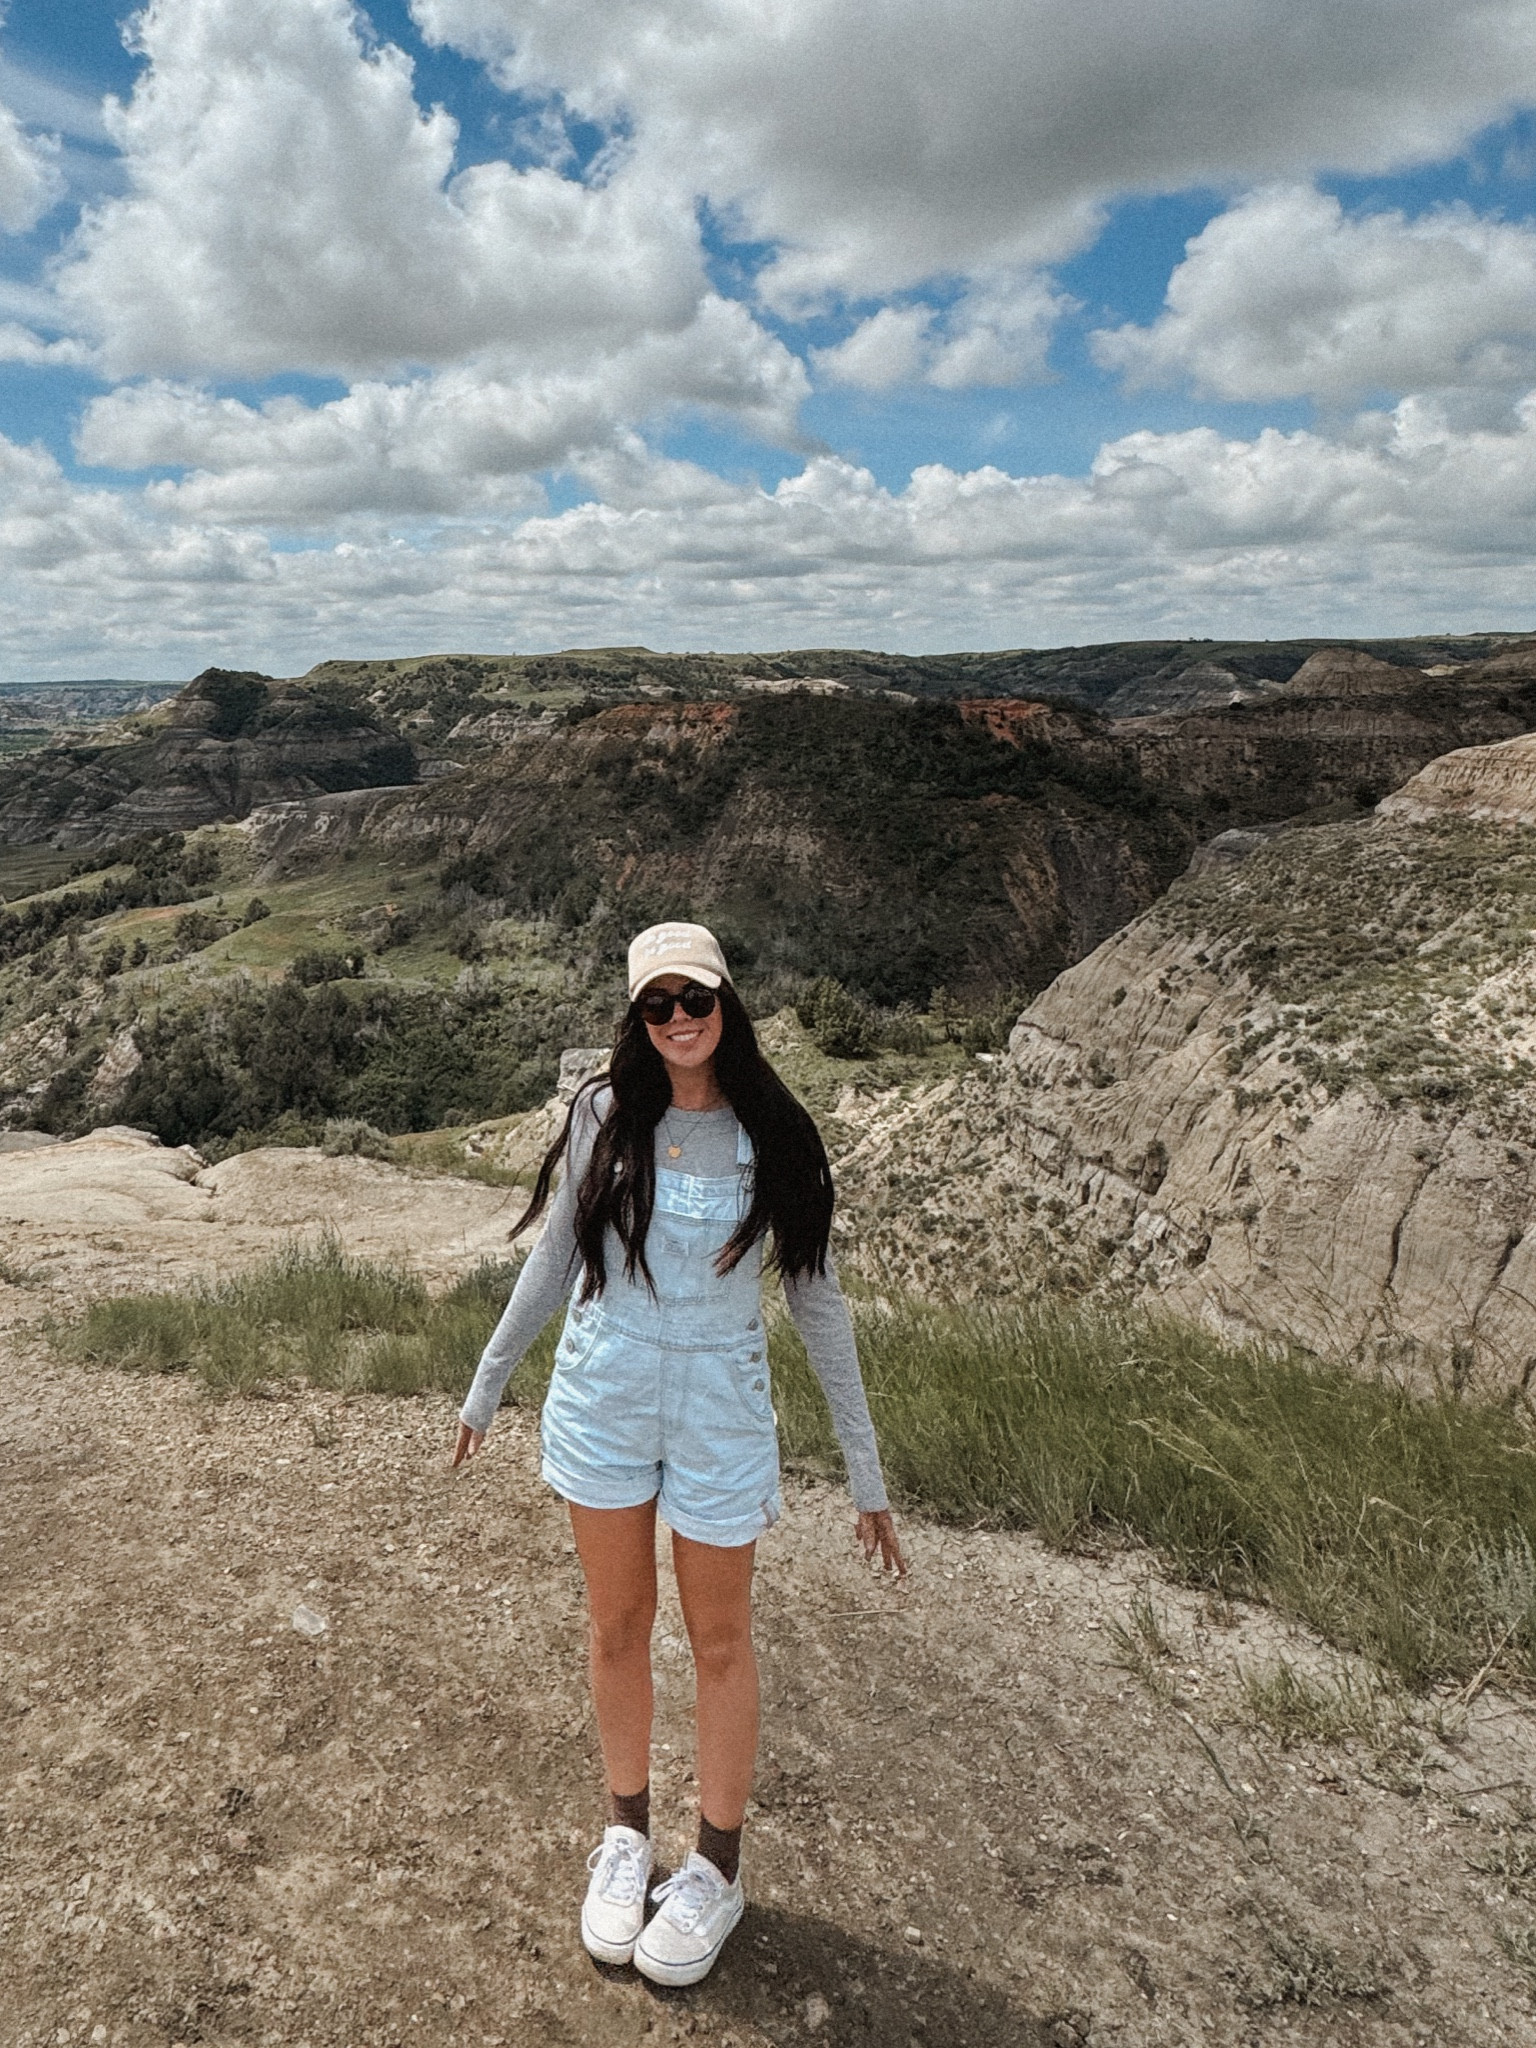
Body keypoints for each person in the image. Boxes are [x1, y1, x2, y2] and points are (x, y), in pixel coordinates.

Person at [451, 919, 904, 1986]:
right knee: (617, 1624)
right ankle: (625, 1834)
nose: (679, 1019)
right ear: (637, 1017)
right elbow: (554, 1256)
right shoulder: (603, 1114)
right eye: (657, 1004)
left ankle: (715, 1868)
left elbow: (819, 1302)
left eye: (695, 998)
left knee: (721, 1640)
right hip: (604, 1394)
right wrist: (489, 1379)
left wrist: (866, 1470)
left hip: (719, 1411)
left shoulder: (775, 1132)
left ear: (725, 1002)